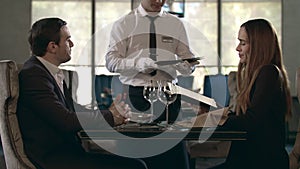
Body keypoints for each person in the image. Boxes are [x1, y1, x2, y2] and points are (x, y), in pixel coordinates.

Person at [16, 17, 148, 169]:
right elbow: (66, 121)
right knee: (136, 166)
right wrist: (110, 116)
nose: (72, 44)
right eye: (68, 40)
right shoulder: (34, 74)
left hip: (66, 153)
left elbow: (72, 108)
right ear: (52, 46)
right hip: (53, 159)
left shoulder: (46, 71)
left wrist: (110, 113)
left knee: (137, 162)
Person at [105, 0, 198, 169]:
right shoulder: (124, 23)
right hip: (135, 97)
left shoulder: (175, 23)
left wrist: (187, 66)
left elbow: (187, 59)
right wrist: (137, 63)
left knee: (173, 157)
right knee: (136, 156)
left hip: (169, 97)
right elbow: (111, 62)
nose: (159, 1)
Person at [210, 18, 292, 169]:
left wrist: (215, 121)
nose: (237, 48)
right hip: (249, 160)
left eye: (243, 43)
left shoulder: (269, 72)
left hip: (261, 162)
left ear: (258, 46)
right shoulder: (258, 73)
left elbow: (251, 121)